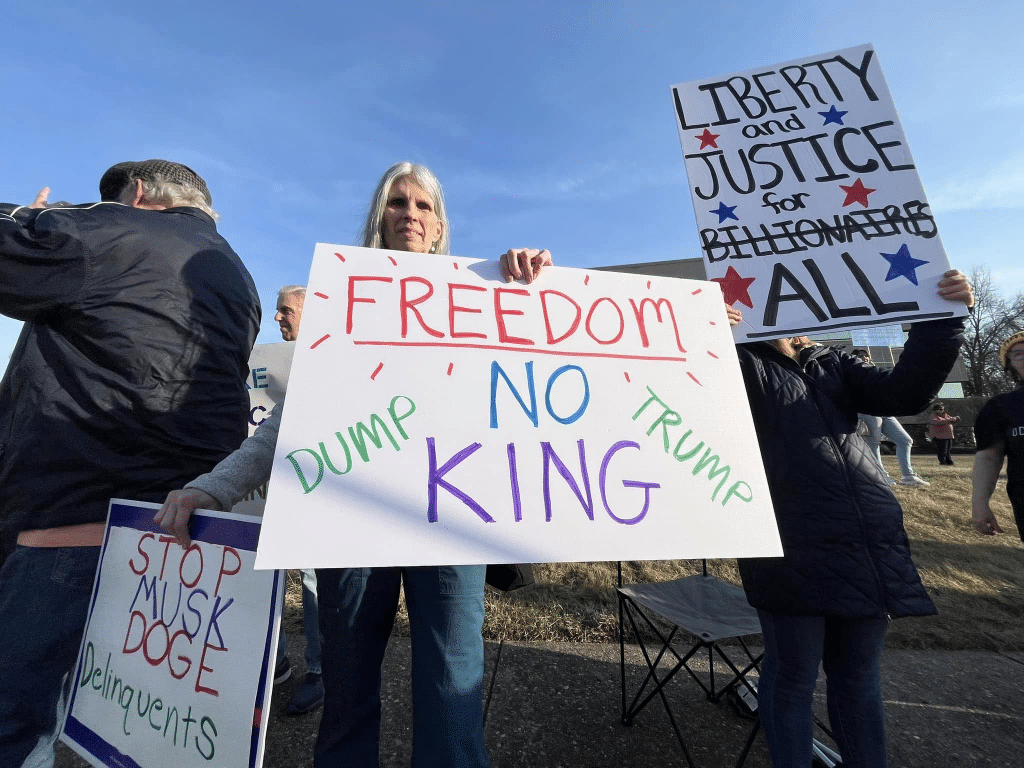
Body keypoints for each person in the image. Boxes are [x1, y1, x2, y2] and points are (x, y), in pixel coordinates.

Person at [157, 161, 551, 767]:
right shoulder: (345, 307)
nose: (410, 215)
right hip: (350, 517)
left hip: (452, 519)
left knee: (454, 684)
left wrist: (531, 287)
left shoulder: (485, 300)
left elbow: (540, 376)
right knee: (346, 684)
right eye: (397, 203)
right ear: (379, 216)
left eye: (422, 206)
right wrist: (216, 488)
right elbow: (295, 420)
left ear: (440, 226)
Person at [0, 160, 260, 767]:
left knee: (18, 712)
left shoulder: (115, 230)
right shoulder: (238, 277)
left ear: (136, 195)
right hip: (168, 538)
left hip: (66, 515)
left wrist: (24, 217)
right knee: (114, 718)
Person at [733, 270, 974, 768]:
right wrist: (708, 337)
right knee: (793, 675)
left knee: (858, 676)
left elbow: (903, 396)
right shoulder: (736, 359)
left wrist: (939, 321)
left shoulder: (831, 361)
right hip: (789, 536)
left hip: (867, 535)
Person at [272, 284, 326, 715]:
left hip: (319, 496)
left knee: (313, 581)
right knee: (264, 573)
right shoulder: (280, 364)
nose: (277, 318)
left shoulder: (331, 360)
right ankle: (275, 662)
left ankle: (322, 671)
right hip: (276, 489)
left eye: (285, 310)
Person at [971, 330, 1024, 538]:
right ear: (1010, 367)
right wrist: (980, 504)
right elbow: (989, 458)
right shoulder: (1000, 407)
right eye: (1019, 353)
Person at [851, 349, 929, 487]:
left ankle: (908, 476)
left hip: (885, 411)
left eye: (865, 355)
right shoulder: (853, 373)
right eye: (860, 356)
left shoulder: (877, 370)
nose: (864, 357)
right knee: (874, 444)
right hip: (868, 411)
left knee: (905, 440)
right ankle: (881, 477)